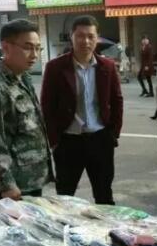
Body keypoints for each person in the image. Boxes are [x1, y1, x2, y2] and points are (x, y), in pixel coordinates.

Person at [41, 15, 123, 205]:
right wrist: (54, 140)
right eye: (80, 35)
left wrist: (113, 134)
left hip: (100, 140)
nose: (85, 41)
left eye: (90, 36)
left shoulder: (107, 67)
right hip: (68, 142)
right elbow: (47, 105)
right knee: (65, 196)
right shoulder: (55, 67)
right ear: (71, 36)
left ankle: (105, 225)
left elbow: (116, 100)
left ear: (97, 38)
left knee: (104, 195)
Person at [0, 19, 53, 202]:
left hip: (31, 179)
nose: (34, 55)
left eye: (38, 48)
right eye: (27, 47)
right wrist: (6, 185)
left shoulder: (23, 77)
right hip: (13, 185)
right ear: (6, 47)